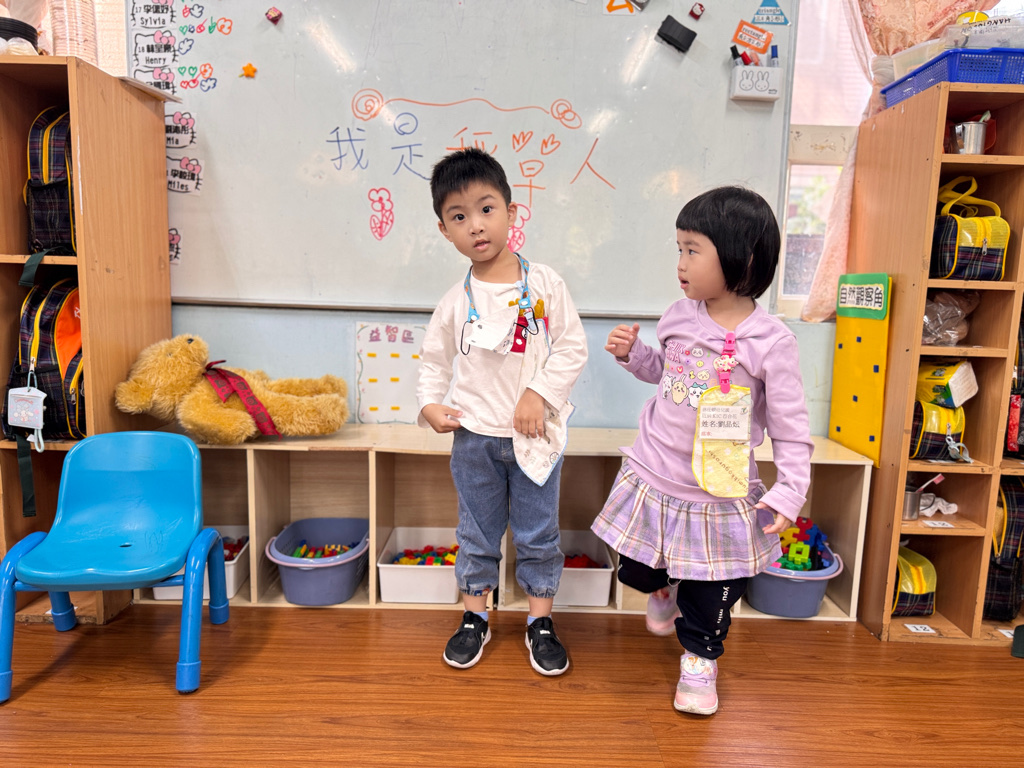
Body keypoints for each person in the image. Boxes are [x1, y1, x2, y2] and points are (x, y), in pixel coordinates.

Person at [592, 186, 813, 715]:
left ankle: (699, 660)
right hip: (654, 473)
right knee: (636, 571)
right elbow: (666, 373)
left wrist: (790, 491)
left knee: (713, 591)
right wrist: (635, 354)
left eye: (693, 250)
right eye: (679, 249)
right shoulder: (678, 314)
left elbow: (790, 426)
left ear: (743, 258)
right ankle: (662, 591)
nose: (681, 263)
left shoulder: (772, 342)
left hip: (719, 490)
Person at [417, 147, 588, 676]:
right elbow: (433, 361)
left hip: (533, 437)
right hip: (474, 438)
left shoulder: (544, 284)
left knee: (538, 534)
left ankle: (540, 622)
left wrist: (539, 393)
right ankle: (476, 617)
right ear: (444, 230)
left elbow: (572, 347)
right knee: (476, 533)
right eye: (459, 216)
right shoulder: (454, 300)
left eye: (487, 209)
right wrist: (429, 404)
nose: (476, 225)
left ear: (512, 213)